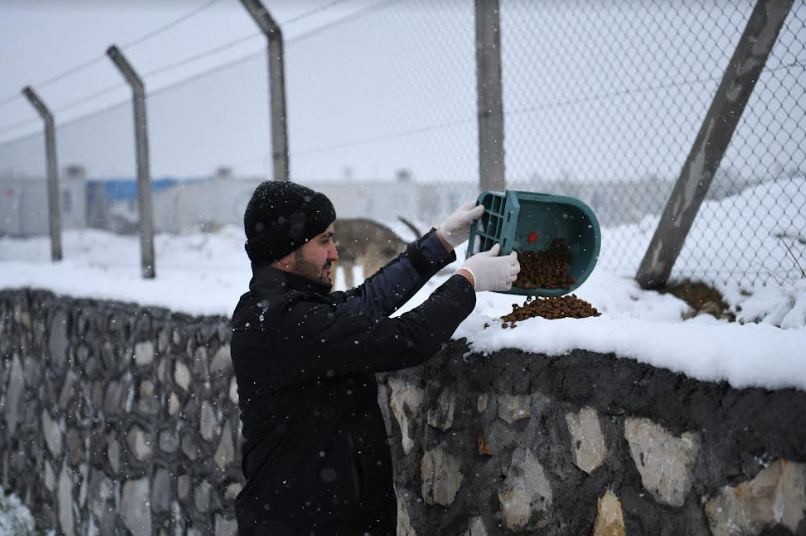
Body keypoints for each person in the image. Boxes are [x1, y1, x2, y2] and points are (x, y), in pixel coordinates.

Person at [231, 181, 520, 536]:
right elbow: (407, 340)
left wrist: (441, 242)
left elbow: (368, 303)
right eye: (323, 241)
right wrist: (467, 281)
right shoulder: (289, 322)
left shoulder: (284, 309)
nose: (335, 253)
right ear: (285, 253)